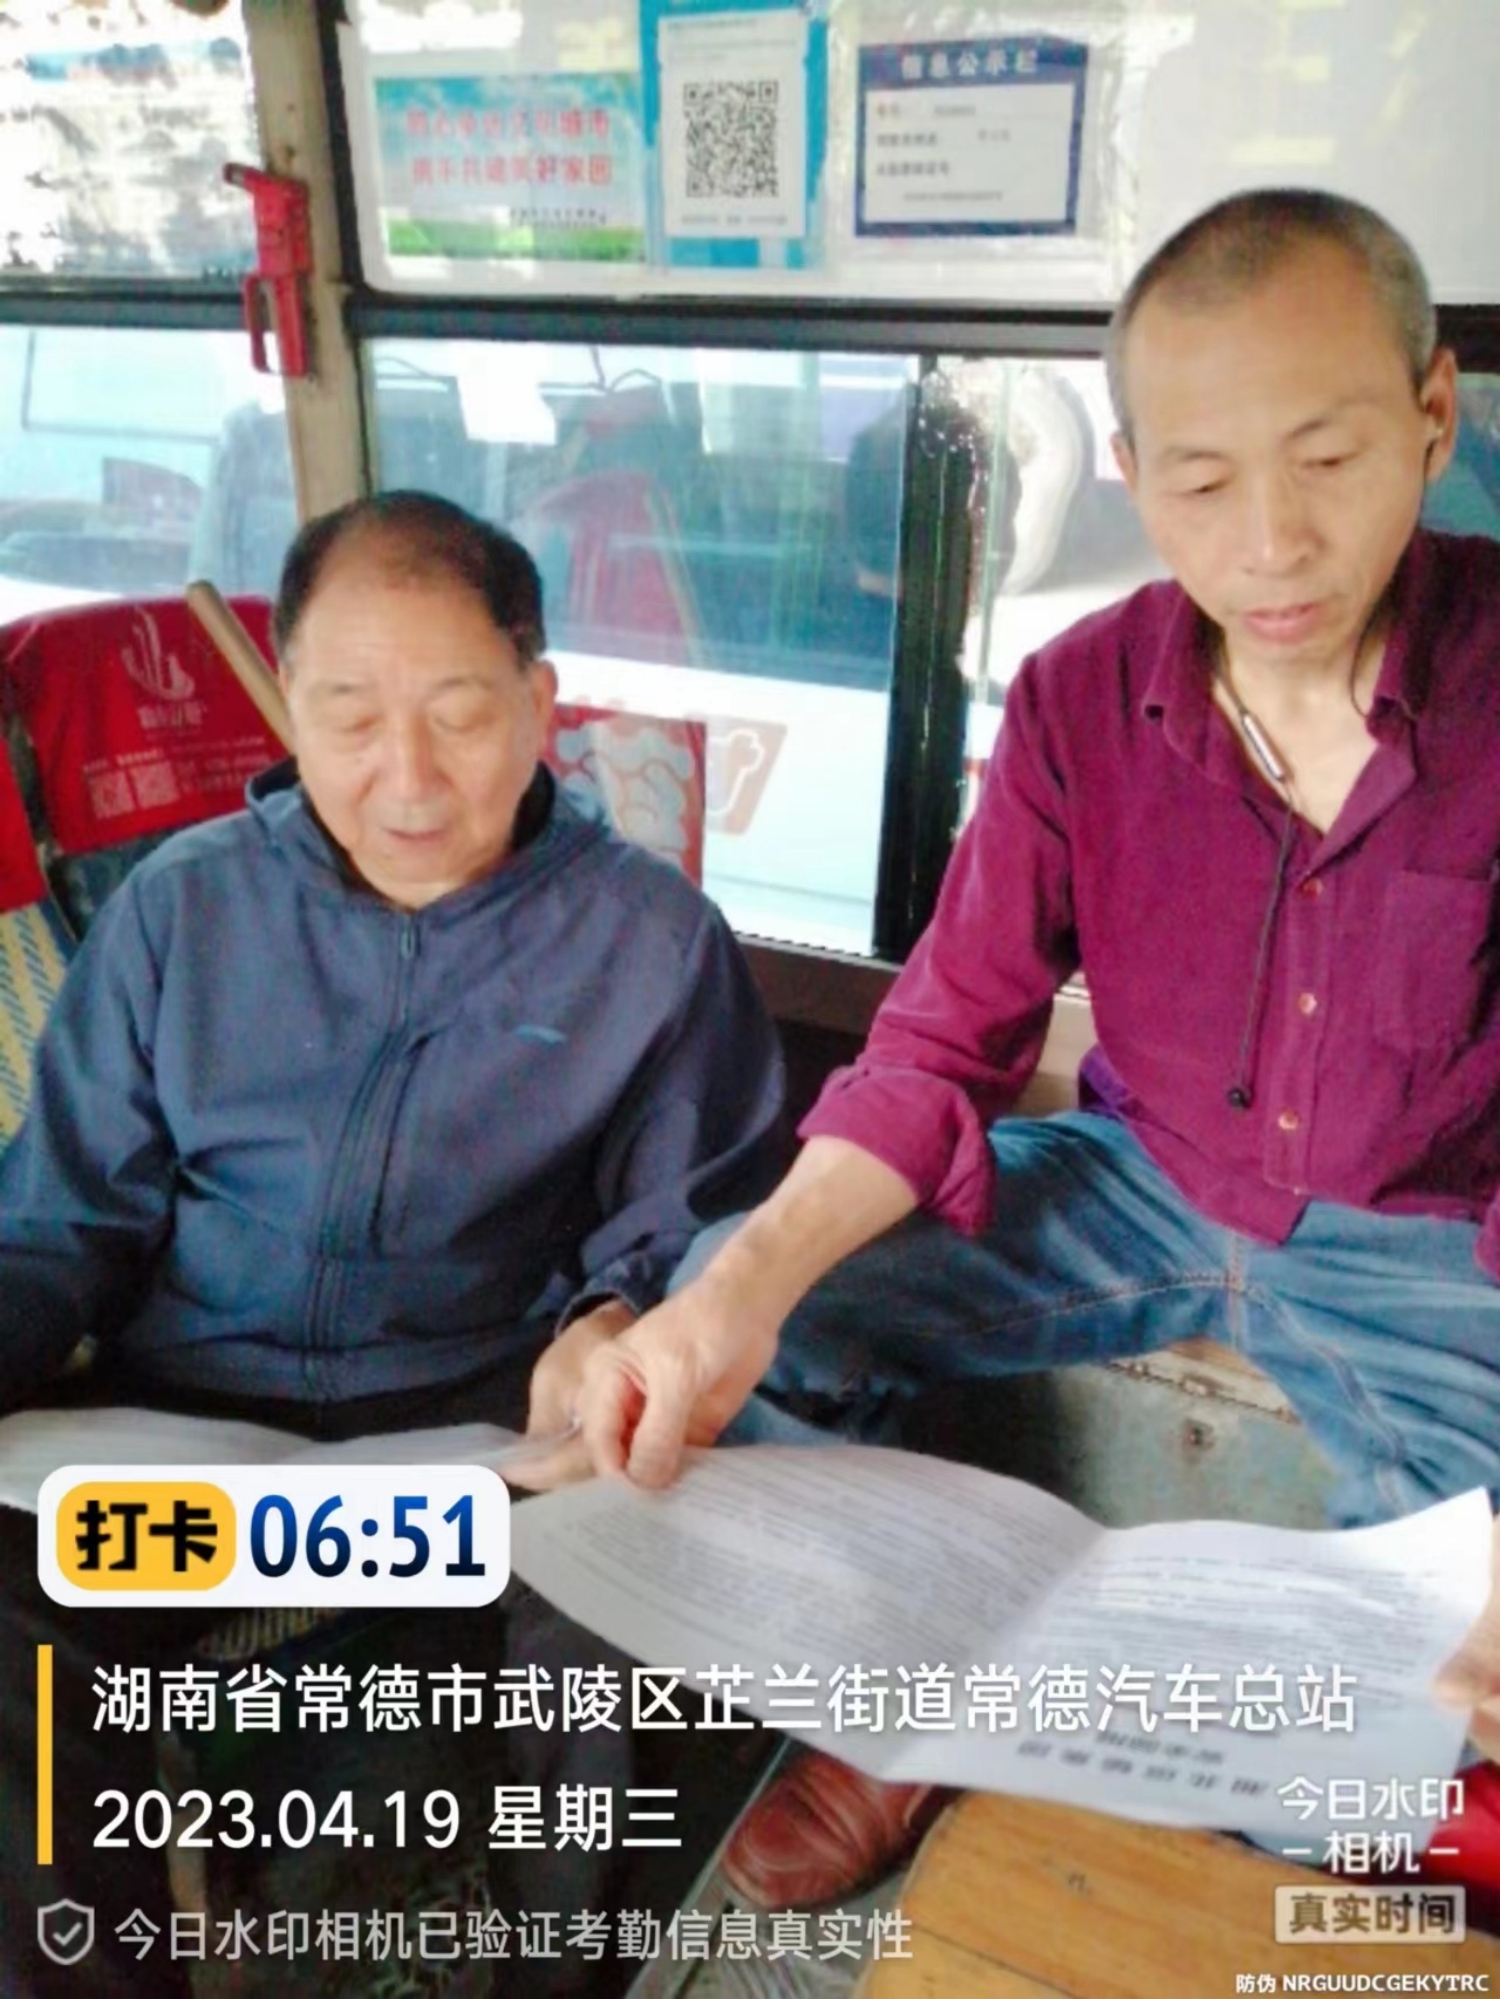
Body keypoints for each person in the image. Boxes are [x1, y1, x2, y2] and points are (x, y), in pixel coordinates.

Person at [528, 188, 1500, 1900]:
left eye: (1329, 460)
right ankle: (913, 1703)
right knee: (742, 1310)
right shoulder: (1075, 698)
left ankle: (1166, 1771)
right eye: (1202, 483)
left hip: (1434, 1253)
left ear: (1433, 414)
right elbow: (940, 1041)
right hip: (1141, 1180)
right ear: (1129, 471)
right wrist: (733, 1292)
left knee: (1396, 1750)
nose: (1270, 542)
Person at [0, 491, 785, 1992]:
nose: (407, 778)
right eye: (350, 718)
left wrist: (614, 1322)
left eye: (461, 715)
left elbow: (696, 1233)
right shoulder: (180, 912)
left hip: (473, 1445)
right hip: (180, 1448)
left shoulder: (648, 943)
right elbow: (57, 1224)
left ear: (540, 703)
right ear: (288, 702)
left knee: (611, 1609)